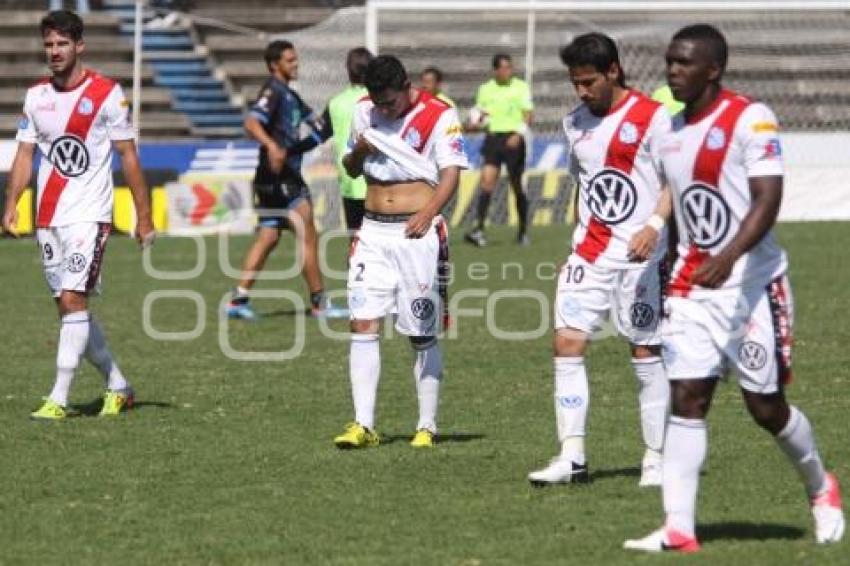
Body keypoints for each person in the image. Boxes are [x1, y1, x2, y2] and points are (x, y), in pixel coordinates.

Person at [625, 24, 844, 553]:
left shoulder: (751, 118)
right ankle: (679, 528)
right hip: (694, 286)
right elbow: (678, 209)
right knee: (687, 396)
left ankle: (821, 488)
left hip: (752, 285)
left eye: (682, 63)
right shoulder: (669, 131)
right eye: (669, 61)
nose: (672, 71)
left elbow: (768, 197)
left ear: (713, 69)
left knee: (764, 406)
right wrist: (675, 268)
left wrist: (727, 256)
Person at [527, 33, 672, 488]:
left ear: (613, 71)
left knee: (645, 351)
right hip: (590, 253)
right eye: (575, 83)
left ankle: (656, 457)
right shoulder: (574, 123)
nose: (582, 91)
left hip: (641, 256)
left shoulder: (654, 119)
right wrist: (574, 245)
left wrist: (654, 225)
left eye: (588, 81)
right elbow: (584, 185)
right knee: (566, 346)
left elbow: (675, 183)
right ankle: (572, 458)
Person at [2, 10, 155, 419]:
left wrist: (144, 216)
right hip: (48, 216)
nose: (54, 52)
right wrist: (12, 203)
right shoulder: (36, 96)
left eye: (62, 44)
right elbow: (24, 154)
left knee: (73, 298)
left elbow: (129, 157)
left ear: (79, 45)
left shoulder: (107, 93)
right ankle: (118, 385)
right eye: (48, 44)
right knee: (70, 309)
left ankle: (59, 397)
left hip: (90, 213)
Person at [333, 55, 468, 449]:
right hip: (372, 231)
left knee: (420, 332)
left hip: (417, 234)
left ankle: (427, 426)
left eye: (391, 103)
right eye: (379, 104)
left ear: (406, 86)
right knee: (362, 322)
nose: (385, 110)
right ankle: (363, 424)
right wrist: (357, 151)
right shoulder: (364, 112)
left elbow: (452, 173)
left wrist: (428, 213)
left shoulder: (440, 114)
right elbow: (353, 168)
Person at [226, 40, 347, 320]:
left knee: (269, 235)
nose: (296, 64)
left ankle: (237, 301)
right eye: (290, 60)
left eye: (296, 59)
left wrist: (332, 116)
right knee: (308, 233)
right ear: (274, 65)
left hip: (271, 176)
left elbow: (316, 123)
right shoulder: (273, 90)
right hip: (281, 176)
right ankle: (320, 304)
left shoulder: (289, 95)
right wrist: (271, 146)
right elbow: (251, 123)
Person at [465, 53, 533, 247]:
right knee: (486, 183)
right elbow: (481, 115)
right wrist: (476, 123)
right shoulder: (485, 89)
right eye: (503, 68)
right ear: (495, 70)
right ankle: (479, 230)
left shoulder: (520, 86)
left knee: (517, 185)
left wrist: (519, 134)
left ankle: (522, 230)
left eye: (509, 67)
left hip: (514, 139)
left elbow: (528, 114)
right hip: (493, 139)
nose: (507, 71)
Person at [320, 47, 373, 234]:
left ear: (348, 71)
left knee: (356, 240)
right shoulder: (379, 100)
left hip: (349, 180)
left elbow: (320, 134)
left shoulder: (335, 103)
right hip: (378, 182)